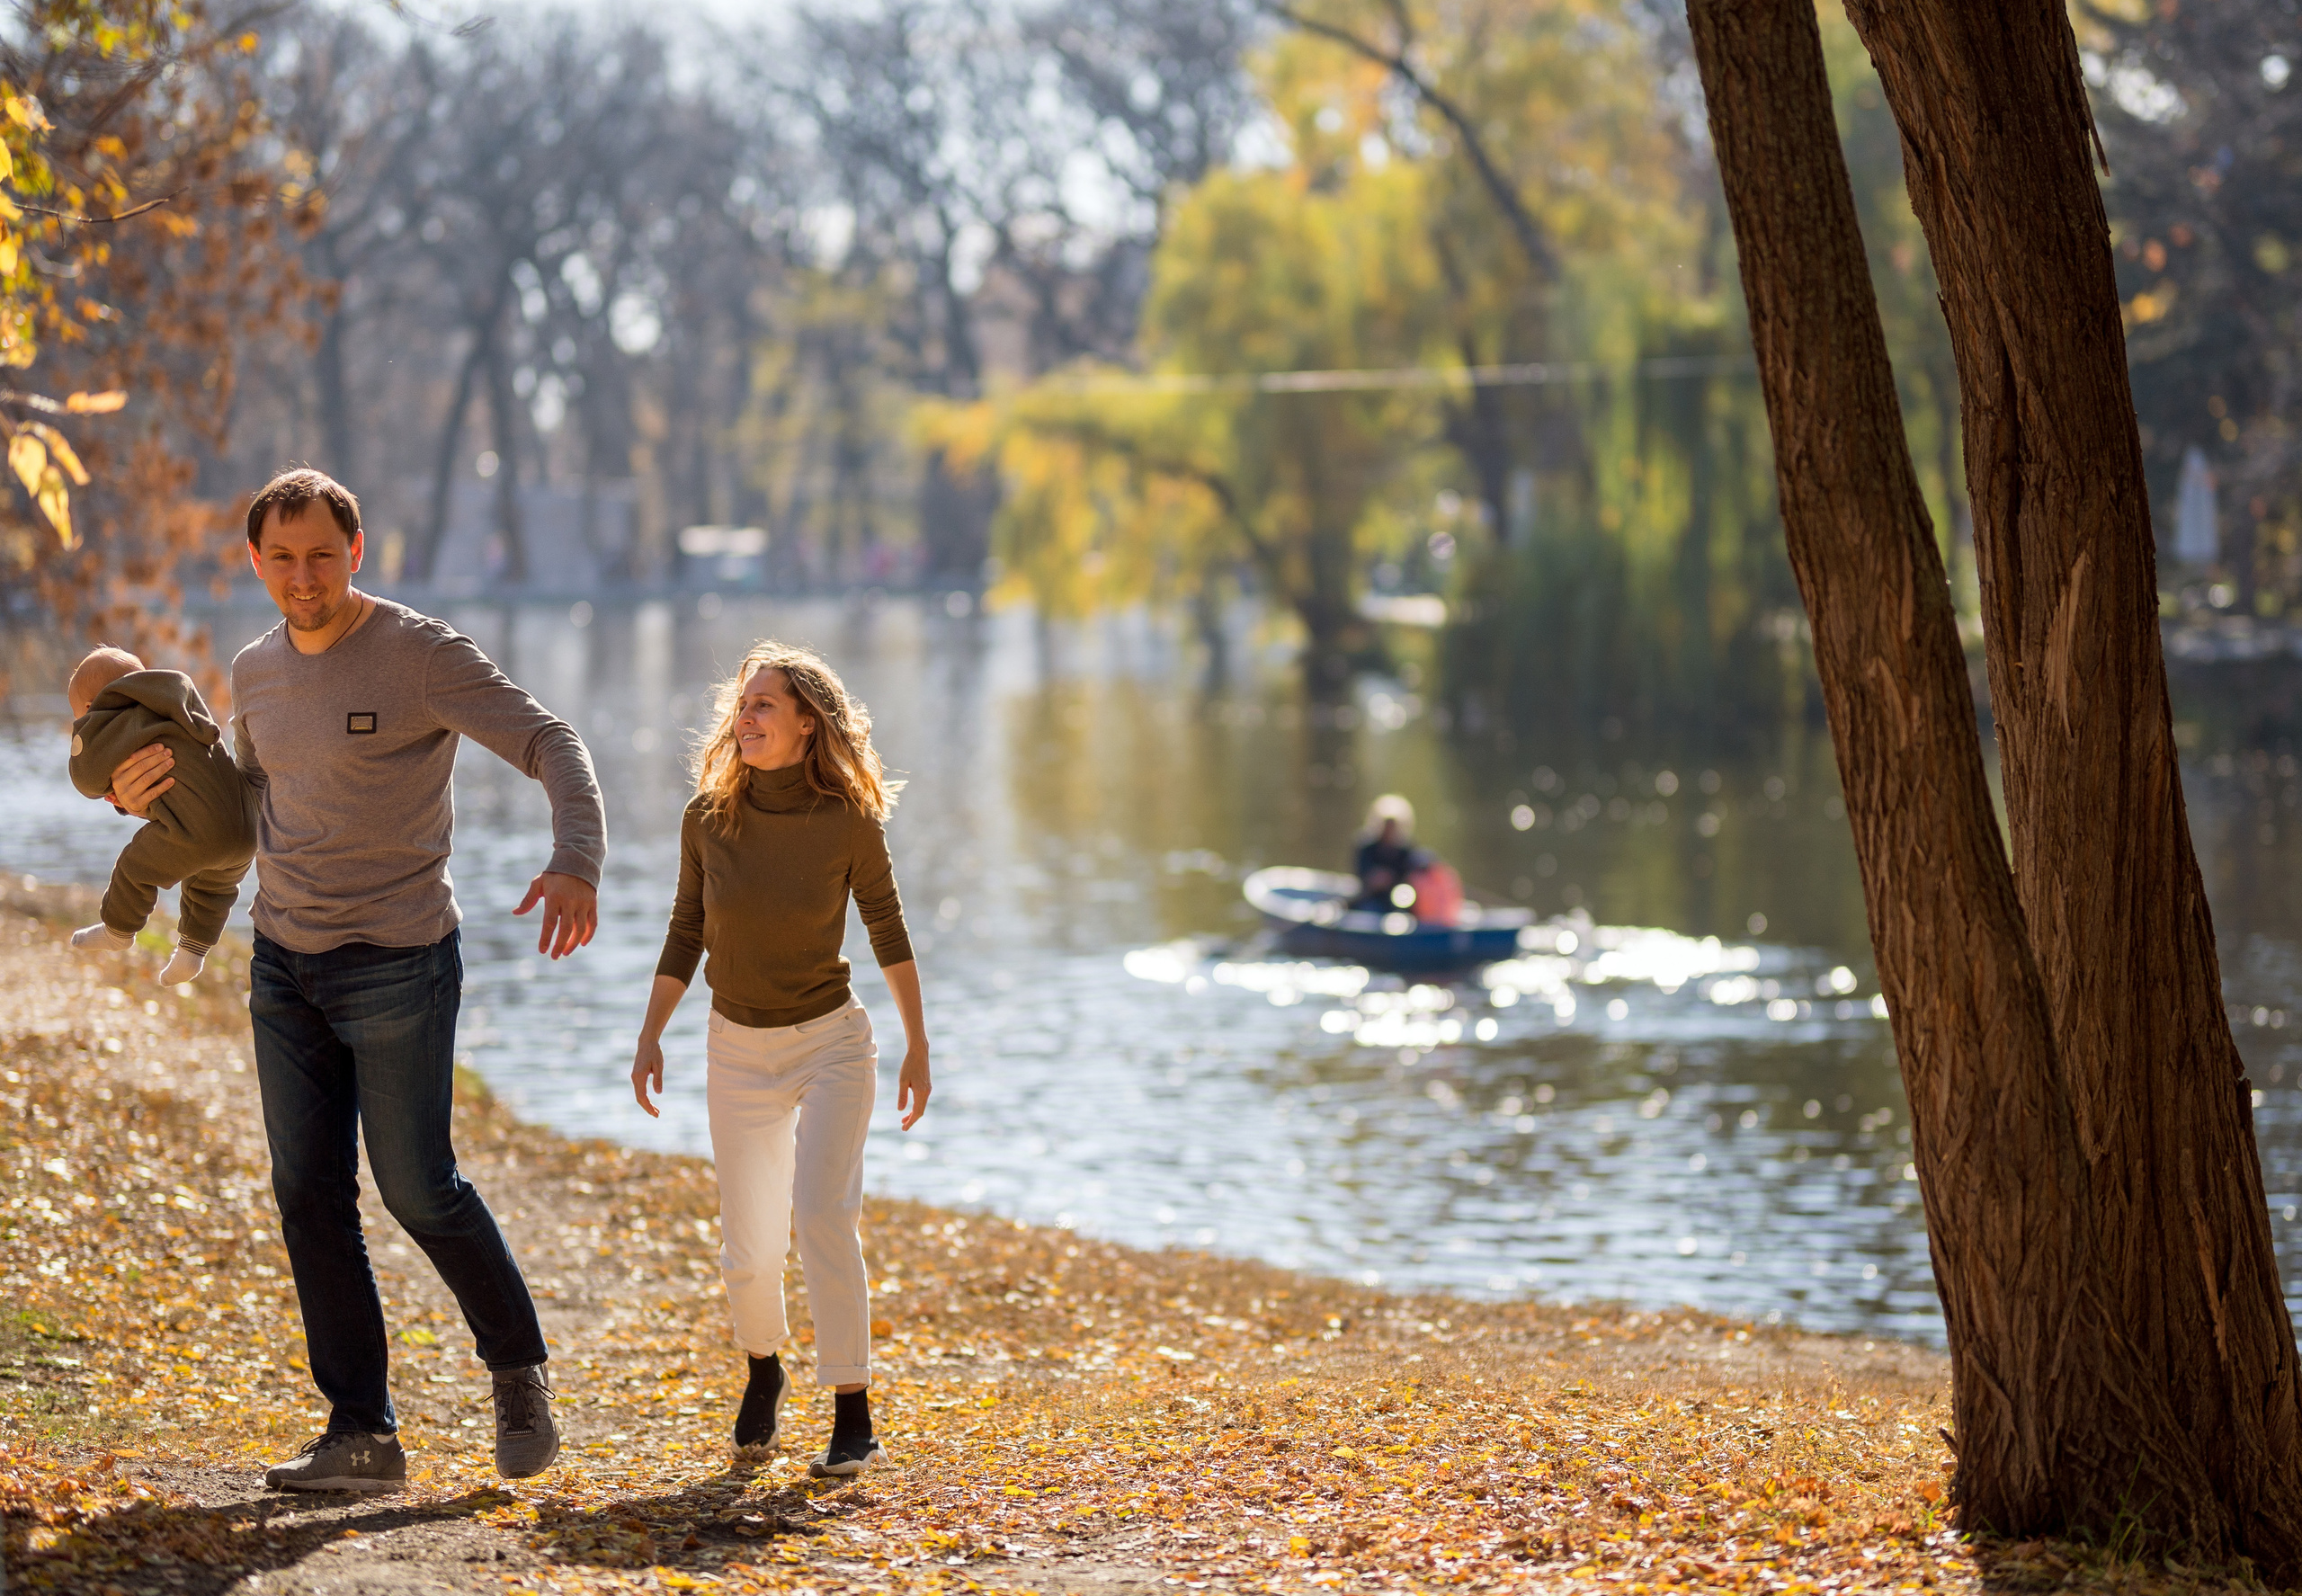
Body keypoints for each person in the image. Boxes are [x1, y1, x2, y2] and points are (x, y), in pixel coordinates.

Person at [104, 468, 605, 1494]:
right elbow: (243, 808)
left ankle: (516, 1370)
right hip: (284, 960)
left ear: (358, 551)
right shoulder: (254, 667)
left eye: (322, 554)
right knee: (307, 1193)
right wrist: (145, 802)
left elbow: (552, 739)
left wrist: (577, 858)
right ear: (255, 562)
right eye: (281, 558)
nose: (303, 576)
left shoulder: (420, 654)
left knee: (419, 1185)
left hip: (401, 959)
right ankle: (361, 1431)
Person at [629, 640, 930, 1477]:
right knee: (750, 1248)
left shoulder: (848, 821)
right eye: (743, 702)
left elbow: (888, 928)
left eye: (766, 704)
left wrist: (918, 1043)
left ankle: (852, 1408)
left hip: (833, 1041)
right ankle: (764, 1364)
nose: (747, 715)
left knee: (825, 1215)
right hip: (737, 1046)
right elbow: (686, 931)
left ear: (809, 724)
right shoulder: (707, 818)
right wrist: (651, 1033)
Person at [64, 646, 256, 985]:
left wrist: (87, 744)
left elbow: (86, 778)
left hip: (199, 832)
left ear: (94, 707)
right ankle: (193, 951)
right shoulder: (178, 703)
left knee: (134, 867)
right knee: (213, 887)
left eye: (78, 714)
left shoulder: (116, 722)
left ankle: (118, 930)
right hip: (248, 827)